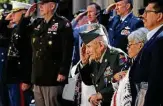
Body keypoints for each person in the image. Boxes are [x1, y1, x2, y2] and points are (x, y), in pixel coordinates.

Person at [21, 0, 74, 106]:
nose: (40, 6)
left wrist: (63, 71)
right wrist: (26, 18)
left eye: (43, 4)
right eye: (40, 4)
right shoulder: (38, 23)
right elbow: (20, 35)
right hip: (38, 75)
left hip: (53, 76)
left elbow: (67, 50)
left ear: (52, 6)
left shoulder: (63, 24)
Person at [78, 25, 128, 106]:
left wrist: (101, 95)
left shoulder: (118, 56)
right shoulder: (95, 58)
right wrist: (84, 63)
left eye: (89, 46)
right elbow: (88, 81)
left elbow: (123, 84)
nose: (86, 51)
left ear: (101, 46)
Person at [129, 0, 163, 105]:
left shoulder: (160, 40)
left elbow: (156, 80)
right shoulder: (155, 37)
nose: (142, 16)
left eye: (147, 12)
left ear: (159, 16)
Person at [2, 1, 33, 106]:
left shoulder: (28, 29)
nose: (12, 15)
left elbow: (28, 56)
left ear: (24, 13)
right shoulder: (15, 29)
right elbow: (2, 32)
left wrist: (26, 79)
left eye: (15, 12)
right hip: (11, 76)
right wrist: (5, 21)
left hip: (20, 78)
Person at [110, 27, 148, 106]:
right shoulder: (129, 63)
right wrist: (115, 79)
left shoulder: (145, 65)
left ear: (140, 45)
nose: (127, 48)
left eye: (130, 45)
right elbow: (119, 89)